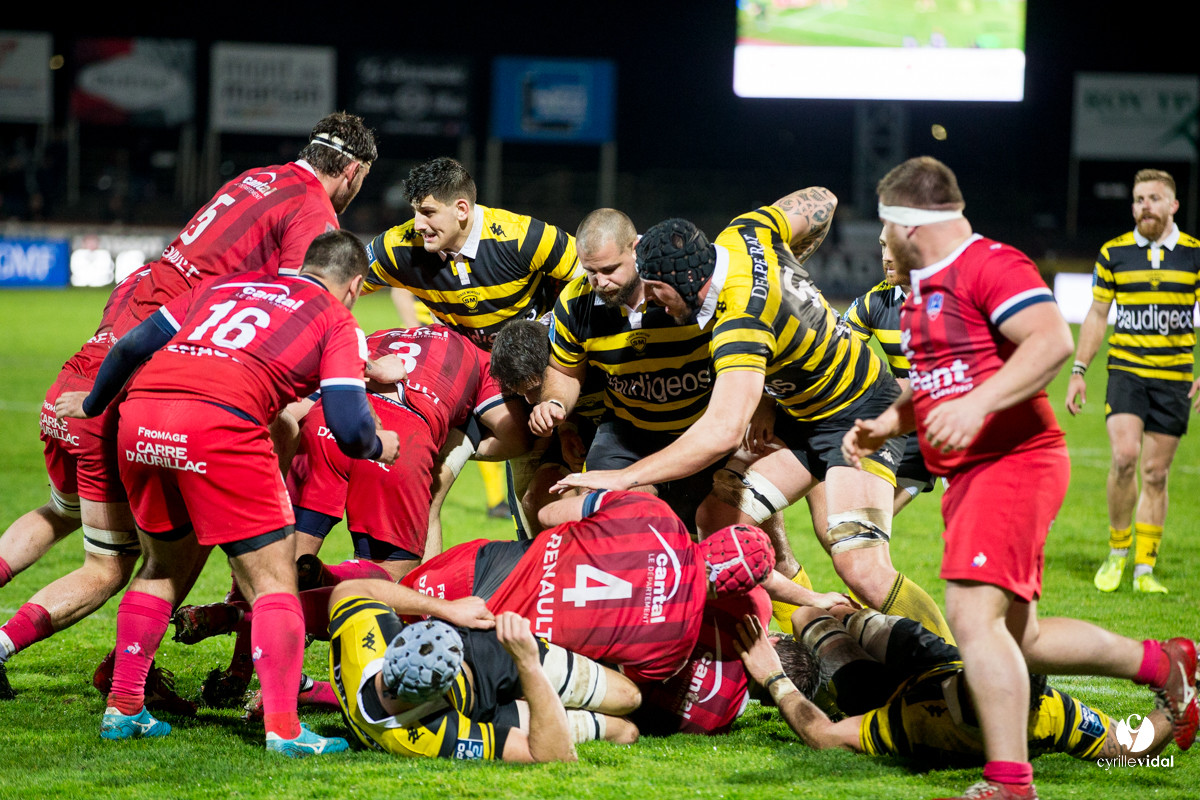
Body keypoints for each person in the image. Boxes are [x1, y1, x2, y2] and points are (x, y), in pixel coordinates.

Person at [841, 155, 1198, 800]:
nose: (882, 239)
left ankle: (1009, 783)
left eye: (885, 225)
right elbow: (934, 382)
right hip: (973, 474)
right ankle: (1166, 663)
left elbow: (1050, 341)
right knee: (1019, 639)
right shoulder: (921, 292)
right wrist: (889, 423)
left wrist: (976, 406)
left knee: (970, 618)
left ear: (907, 223)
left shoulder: (990, 264)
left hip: (1014, 461)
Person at [552, 192, 954, 645]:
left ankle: (953, 665)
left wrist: (623, 477)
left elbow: (722, 432)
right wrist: (788, 266)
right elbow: (823, 200)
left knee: (860, 567)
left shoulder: (740, 322)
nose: (655, 304)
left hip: (857, 413)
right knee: (717, 516)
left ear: (686, 281)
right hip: (801, 415)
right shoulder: (745, 234)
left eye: (658, 292)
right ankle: (818, 626)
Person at [55, 231, 401, 757]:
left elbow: (130, 346)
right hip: (221, 424)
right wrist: (379, 444)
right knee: (274, 582)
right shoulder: (337, 319)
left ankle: (124, 708)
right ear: (354, 286)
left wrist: (95, 403)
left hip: (141, 418)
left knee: (161, 567)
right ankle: (285, 730)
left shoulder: (224, 285)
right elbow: (350, 428)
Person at [364, 156, 582, 539]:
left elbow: (591, 279)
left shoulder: (523, 236)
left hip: (539, 376)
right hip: (467, 373)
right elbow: (332, 285)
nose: (418, 224)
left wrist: (552, 333)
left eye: (428, 212)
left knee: (541, 496)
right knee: (426, 495)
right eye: (415, 212)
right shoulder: (401, 245)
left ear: (462, 209)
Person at [0, 269, 185, 711]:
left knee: (60, 511)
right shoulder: (202, 288)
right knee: (109, 566)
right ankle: (3, 644)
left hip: (63, 391)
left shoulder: (145, 273)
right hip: (98, 406)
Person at [403, 490, 776, 683]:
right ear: (730, 593)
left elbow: (547, 514)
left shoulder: (653, 513)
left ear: (715, 538)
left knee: (386, 613)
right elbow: (611, 682)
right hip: (500, 657)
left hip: (482, 574)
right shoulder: (674, 653)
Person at [734, 606, 1182, 766]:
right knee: (839, 612)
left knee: (809, 618)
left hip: (889, 696)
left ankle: (810, 658)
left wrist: (775, 676)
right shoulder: (1049, 712)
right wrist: (1179, 706)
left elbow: (823, 736)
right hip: (935, 665)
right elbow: (1131, 748)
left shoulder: (914, 723)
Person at [528, 208, 720, 530]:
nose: (601, 282)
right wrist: (554, 402)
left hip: (699, 428)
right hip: (627, 430)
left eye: (609, 269)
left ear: (635, 248)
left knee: (717, 528)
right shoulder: (575, 302)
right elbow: (565, 371)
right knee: (606, 517)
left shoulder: (682, 284)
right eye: (591, 271)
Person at [1065, 169, 1200, 594]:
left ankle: (1144, 568)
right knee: (1125, 457)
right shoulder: (1114, 252)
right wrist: (1079, 369)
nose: (1145, 206)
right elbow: (1097, 315)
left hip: (1174, 378)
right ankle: (1117, 551)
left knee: (1156, 473)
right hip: (1126, 372)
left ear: (1173, 205)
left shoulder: (1194, 254)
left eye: (1154, 198)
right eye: (1139, 199)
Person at [326, 579, 640, 761]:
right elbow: (550, 755)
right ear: (439, 694)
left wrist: (445, 608)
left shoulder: (361, 637)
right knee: (625, 731)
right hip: (480, 714)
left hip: (484, 651)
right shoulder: (428, 737)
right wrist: (528, 664)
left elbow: (349, 588)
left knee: (629, 697)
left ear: (394, 646)